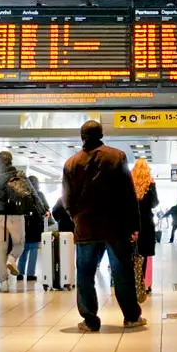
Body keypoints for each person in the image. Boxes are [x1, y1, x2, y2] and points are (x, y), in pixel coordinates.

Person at [61, 120, 142, 332]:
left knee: (85, 274)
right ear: (101, 135)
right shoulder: (116, 157)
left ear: (82, 137)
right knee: (122, 272)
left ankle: (90, 320)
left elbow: (67, 199)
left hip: (86, 227)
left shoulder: (71, 163)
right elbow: (128, 194)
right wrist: (134, 225)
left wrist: (76, 217)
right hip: (115, 226)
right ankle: (132, 317)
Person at [0, 150, 33, 292]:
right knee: (19, 244)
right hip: (16, 216)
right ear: (11, 161)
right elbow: (30, 195)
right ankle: (12, 260)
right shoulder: (18, 176)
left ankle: (3, 283)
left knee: (1, 249)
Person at [132, 160, 158, 298]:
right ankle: (144, 284)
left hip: (131, 223)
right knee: (145, 255)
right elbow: (154, 203)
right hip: (147, 224)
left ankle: (132, 284)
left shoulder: (128, 184)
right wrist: (152, 187)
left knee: (133, 254)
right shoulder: (150, 185)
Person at [18, 175, 50, 281]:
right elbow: (46, 208)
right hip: (36, 225)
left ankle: (19, 273)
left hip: (23, 225)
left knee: (23, 250)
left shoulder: (21, 194)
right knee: (33, 250)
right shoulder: (39, 194)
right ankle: (30, 274)